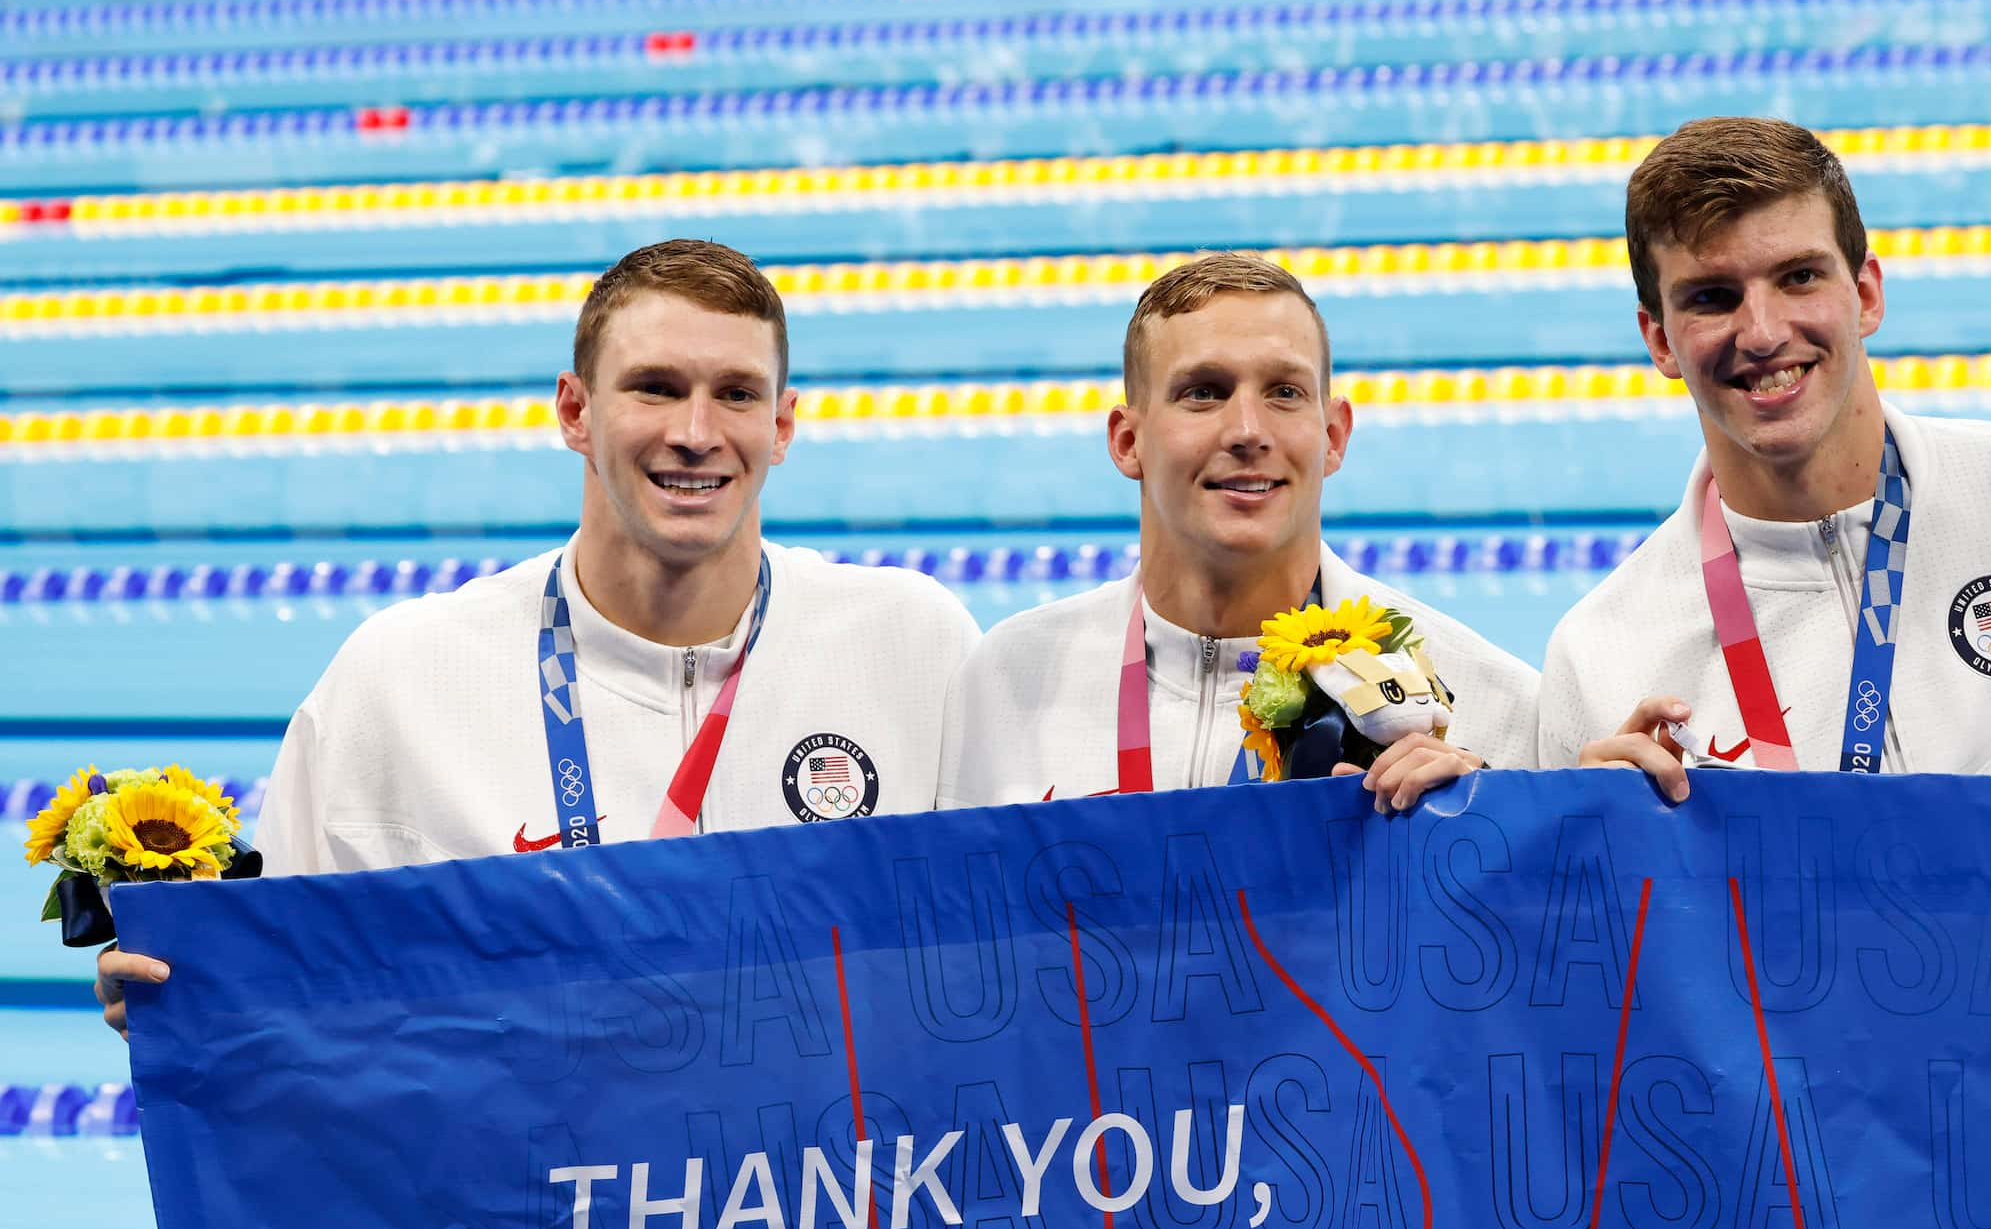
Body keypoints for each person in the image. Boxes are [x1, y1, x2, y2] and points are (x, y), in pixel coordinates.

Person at [94, 237, 978, 1035]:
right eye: (656, 388)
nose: (696, 433)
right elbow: (293, 989)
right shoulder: (402, 680)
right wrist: (191, 989)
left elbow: (1013, 954)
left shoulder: (911, 645)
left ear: (781, 426)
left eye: (735, 395)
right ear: (574, 412)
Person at [1542, 116, 1991, 795]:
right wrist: (1614, 843)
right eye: (1712, 298)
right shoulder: (1603, 654)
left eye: (1798, 277)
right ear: (1658, 340)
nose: (1764, 332)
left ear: (1865, 294)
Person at [939, 253, 1535, 809]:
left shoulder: (1489, 702)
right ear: (1128, 441)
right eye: (1203, 393)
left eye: (1284, 392)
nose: (1247, 429)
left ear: (1333, 436)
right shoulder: (1007, 683)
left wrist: (1473, 831)